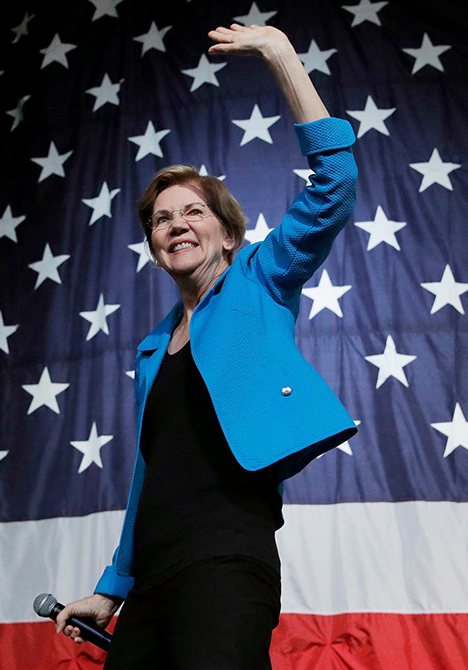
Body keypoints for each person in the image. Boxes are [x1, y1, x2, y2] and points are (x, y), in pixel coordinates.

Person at [54, 23, 358, 669]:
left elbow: (334, 182)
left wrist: (280, 52)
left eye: (193, 212)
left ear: (226, 235)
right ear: (155, 249)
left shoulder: (259, 280)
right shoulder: (150, 351)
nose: (175, 224)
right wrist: (112, 589)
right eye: (162, 218)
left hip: (226, 560)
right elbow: (148, 476)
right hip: (153, 581)